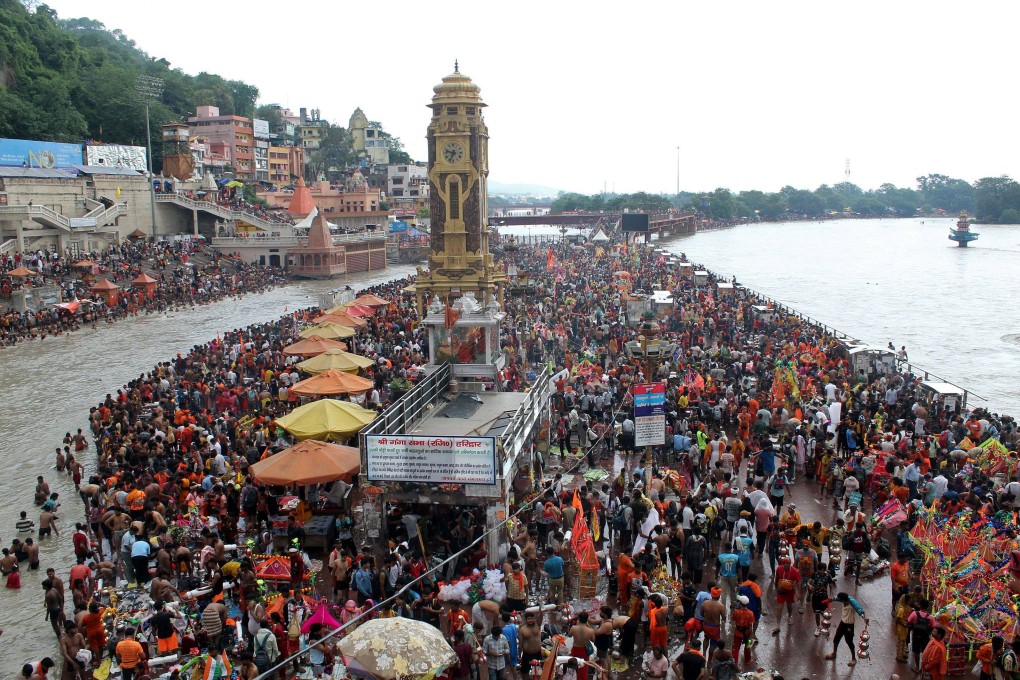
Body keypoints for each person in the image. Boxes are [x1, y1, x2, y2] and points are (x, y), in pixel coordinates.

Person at [824, 592, 868, 667]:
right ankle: (834, 653)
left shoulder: (852, 603)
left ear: (844, 600)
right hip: (842, 623)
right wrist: (831, 599)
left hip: (849, 625)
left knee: (849, 642)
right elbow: (835, 598)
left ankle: (853, 659)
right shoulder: (842, 600)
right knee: (836, 639)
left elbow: (859, 609)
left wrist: (864, 618)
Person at [771, 556, 800, 636]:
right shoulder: (779, 569)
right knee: (779, 608)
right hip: (781, 591)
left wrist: (798, 592)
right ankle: (778, 624)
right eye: (785, 563)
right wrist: (777, 587)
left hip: (790, 592)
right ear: (783, 563)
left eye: (788, 563)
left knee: (789, 606)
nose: (787, 565)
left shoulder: (794, 571)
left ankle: (790, 616)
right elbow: (777, 579)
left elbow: (798, 582)